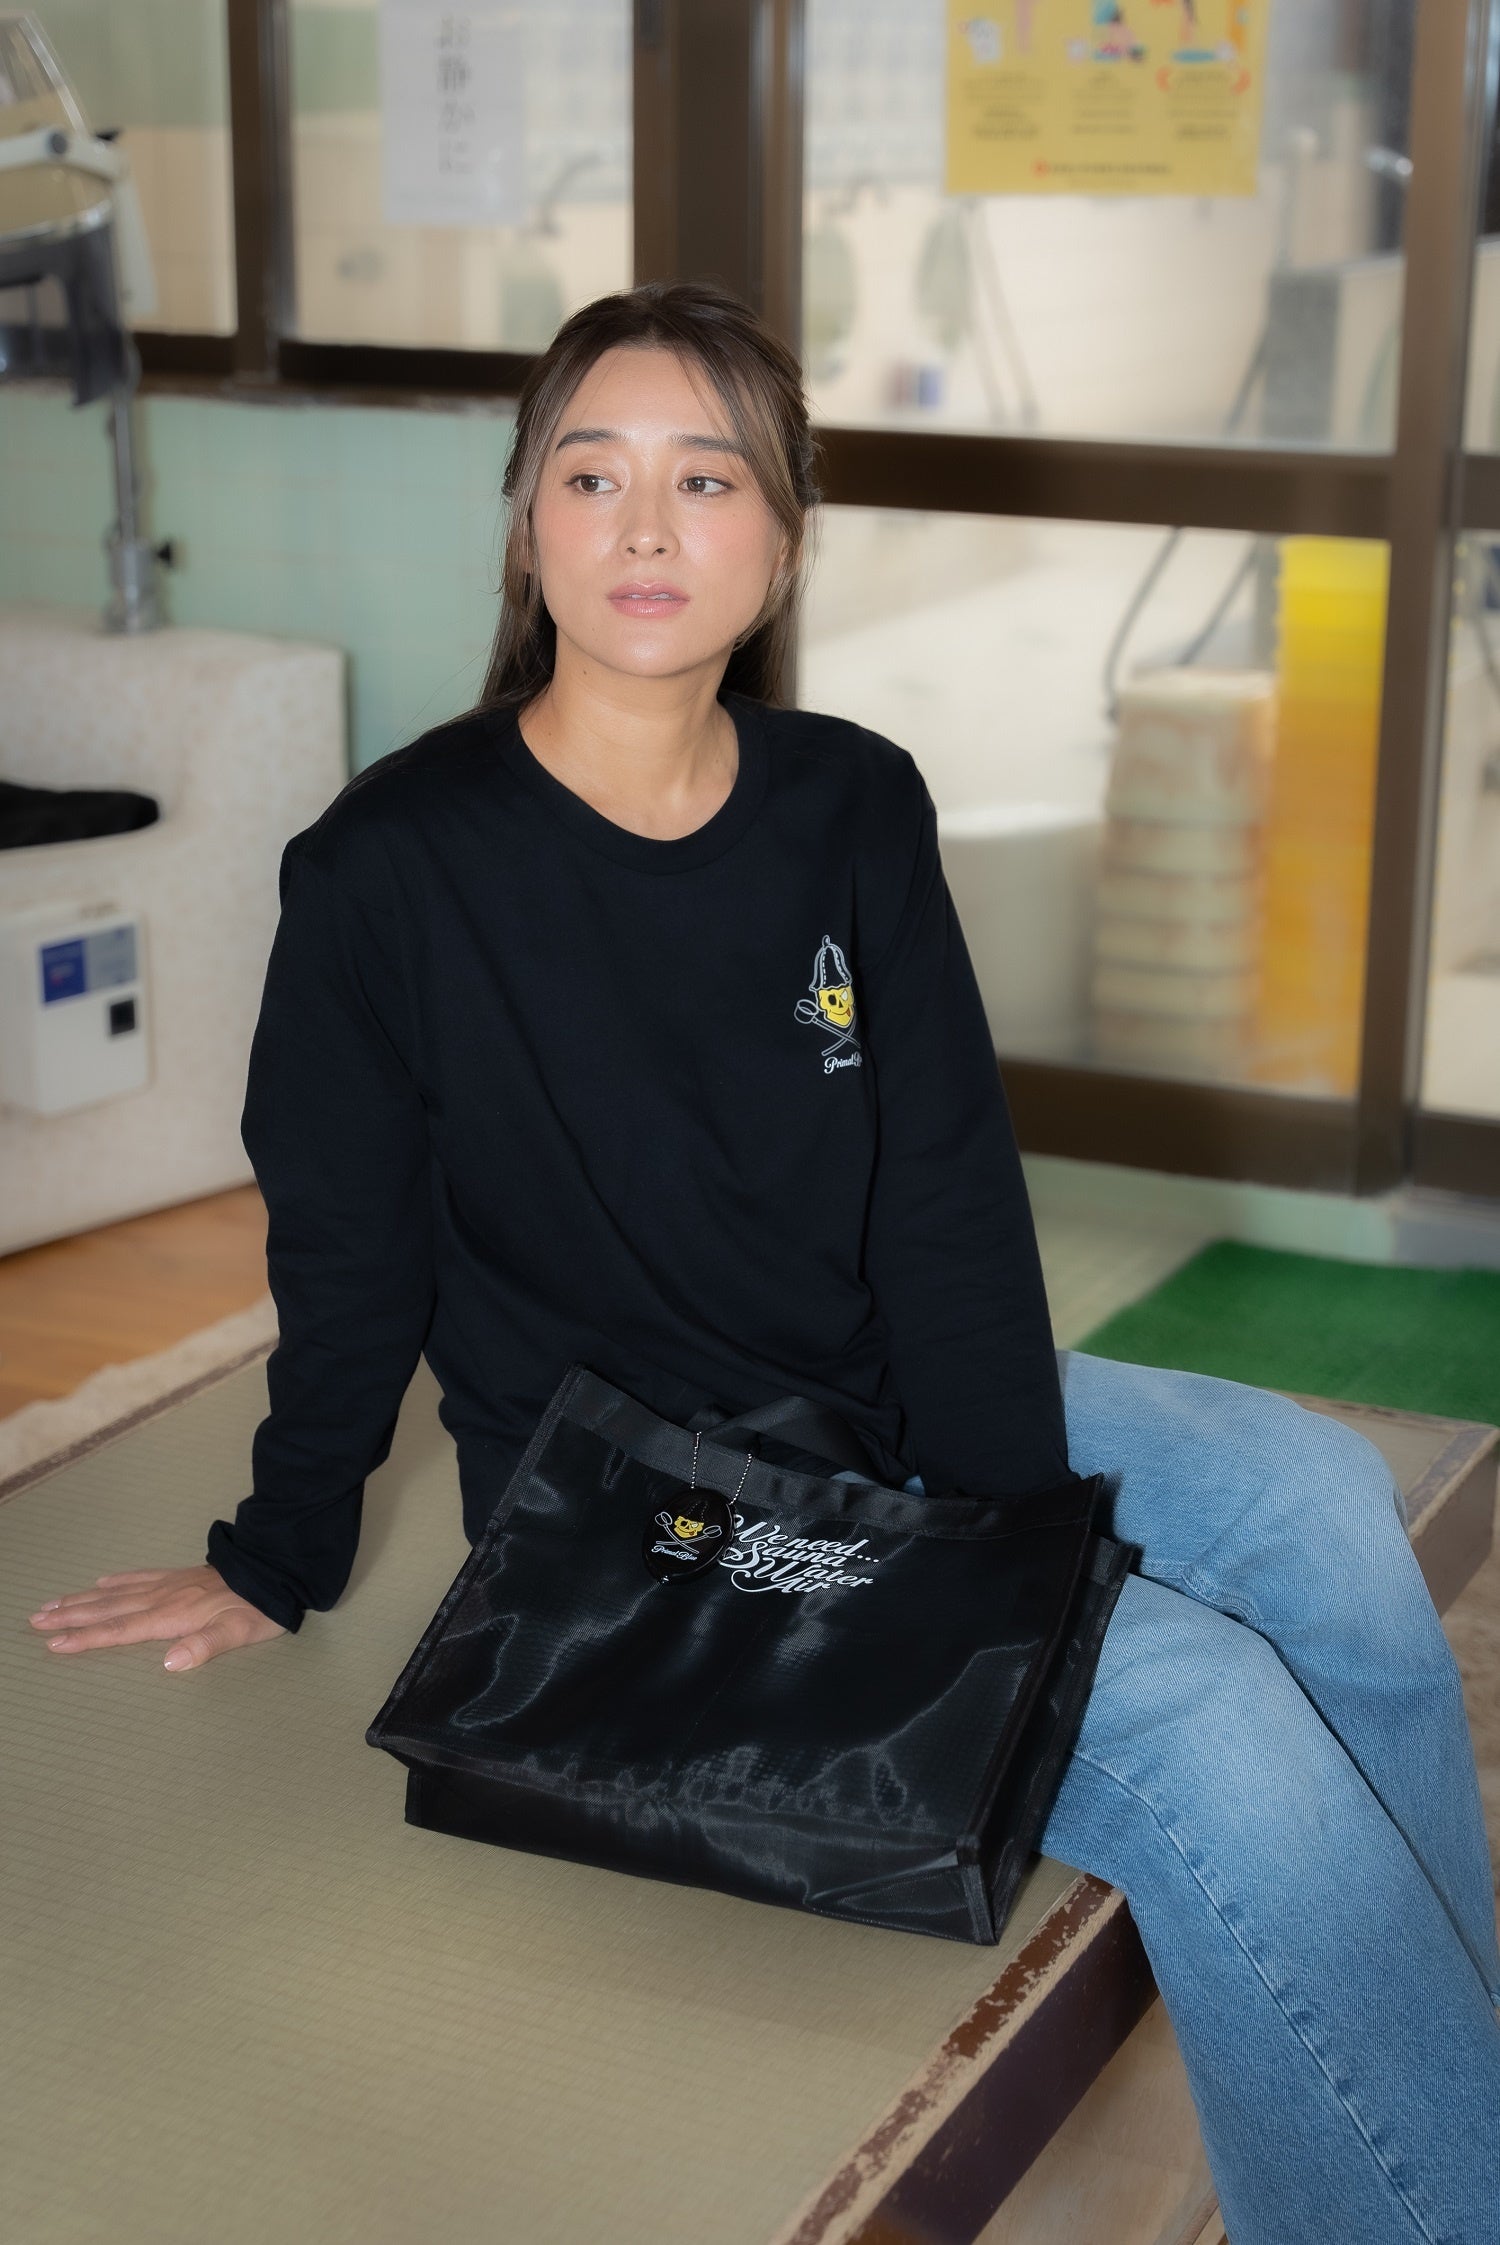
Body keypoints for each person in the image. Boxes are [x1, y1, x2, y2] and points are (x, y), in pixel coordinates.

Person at [27, 280, 1500, 2242]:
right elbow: (348, 1254)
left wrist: (1002, 1554)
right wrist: (275, 1553)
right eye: (593, 475)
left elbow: (945, 1204)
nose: (646, 525)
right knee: (1211, 1728)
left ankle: (1443, 2118)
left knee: (1319, 1499)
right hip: (636, 1519)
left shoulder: (852, 801)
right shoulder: (386, 870)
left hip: (875, 1404)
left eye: (707, 478)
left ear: (785, 537)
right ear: (528, 522)